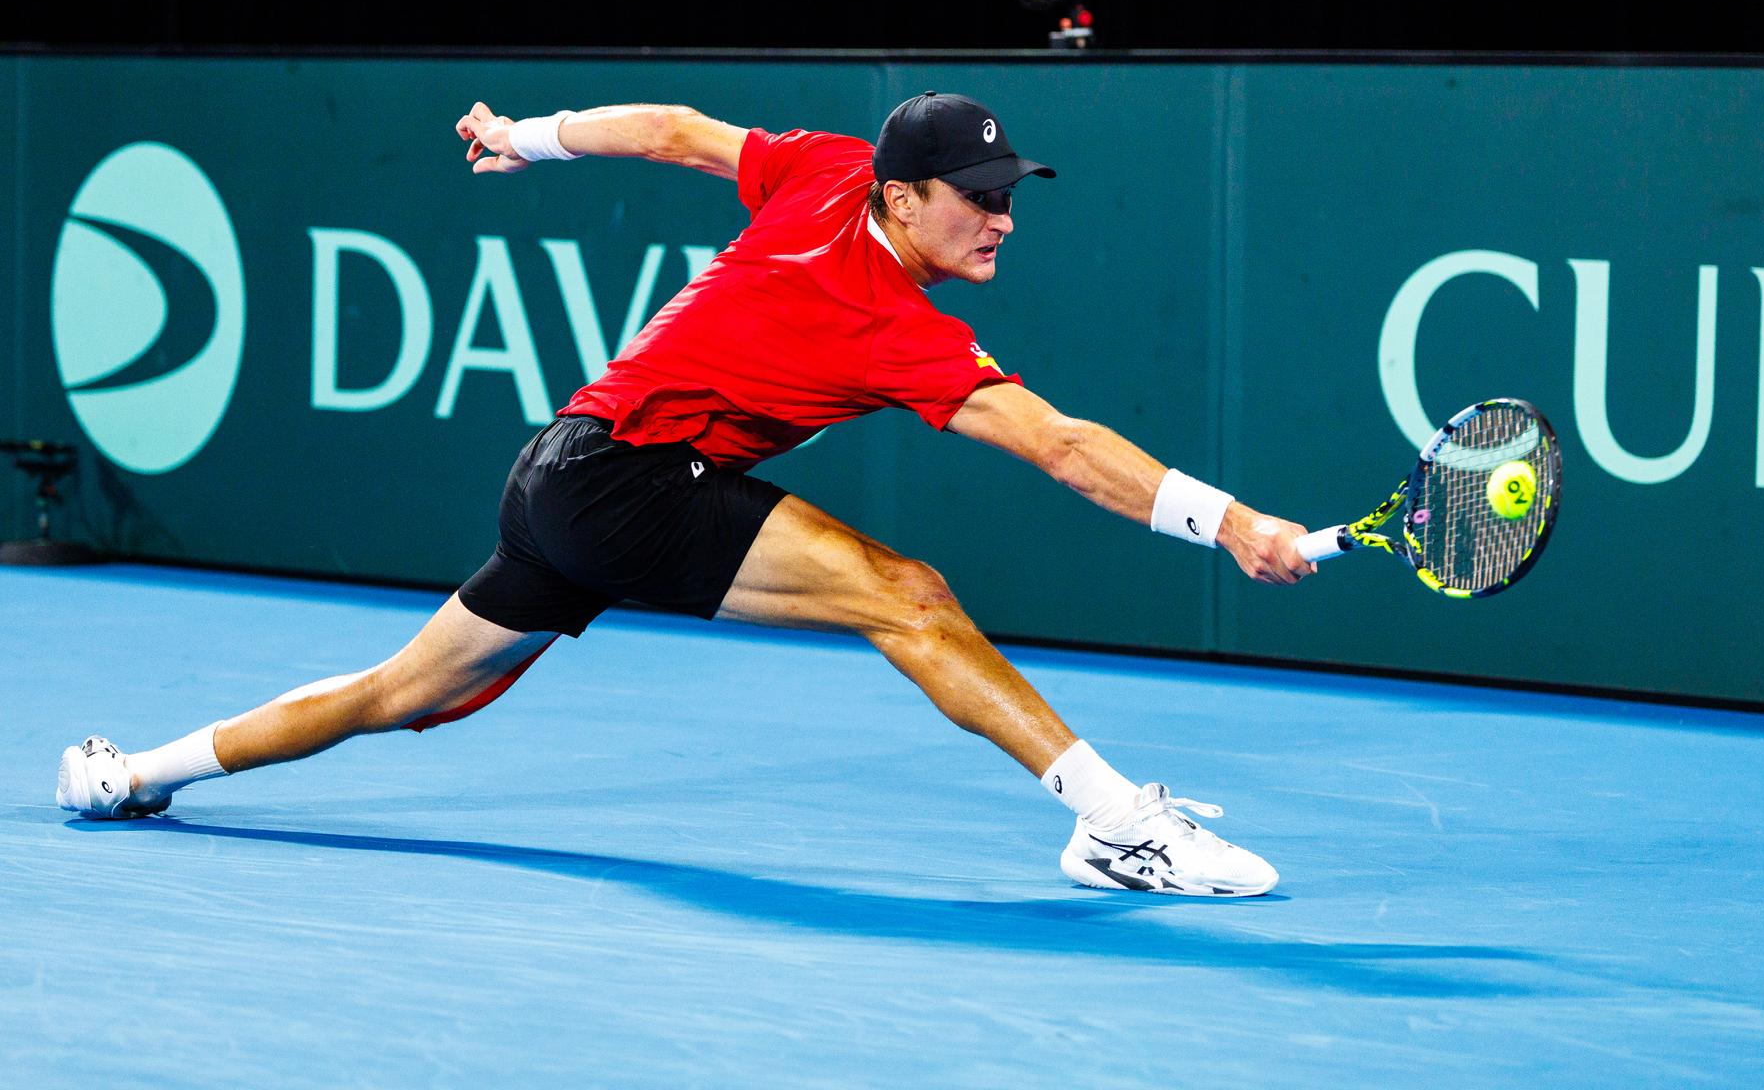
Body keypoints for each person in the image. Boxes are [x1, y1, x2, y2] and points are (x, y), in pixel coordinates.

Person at [57, 92, 1316, 897]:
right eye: (977, 201)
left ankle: (128, 774)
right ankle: (1111, 822)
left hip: (561, 469)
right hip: (625, 480)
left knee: (398, 692)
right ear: (901, 197)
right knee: (908, 597)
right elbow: (1062, 443)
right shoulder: (892, 321)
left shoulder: (826, 169)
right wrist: (1235, 523)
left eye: (1007, 199)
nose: (1000, 221)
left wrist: (523, 139)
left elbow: (674, 130)